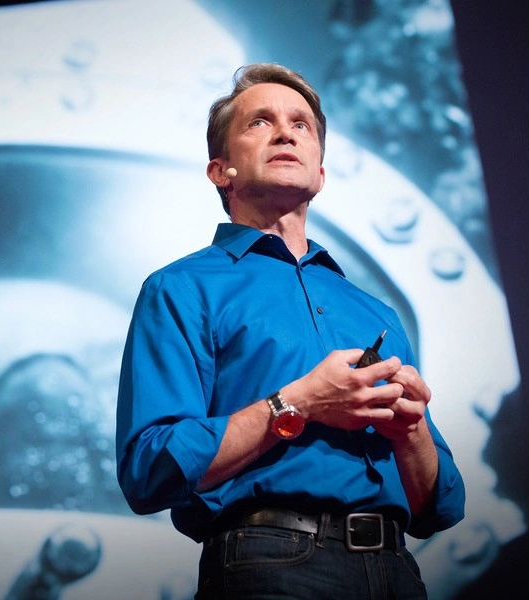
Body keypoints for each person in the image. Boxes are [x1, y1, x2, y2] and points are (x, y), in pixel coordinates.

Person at [115, 63, 466, 599]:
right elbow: (150, 467)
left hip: (398, 570)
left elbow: (437, 508)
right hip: (271, 565)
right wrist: (297, 403)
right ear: (220, 170)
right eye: (259, 122)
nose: (285, 132)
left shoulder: (375, 313)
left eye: (302, 125)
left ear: (320, 173)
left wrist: (410, 431)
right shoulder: (180, 288)